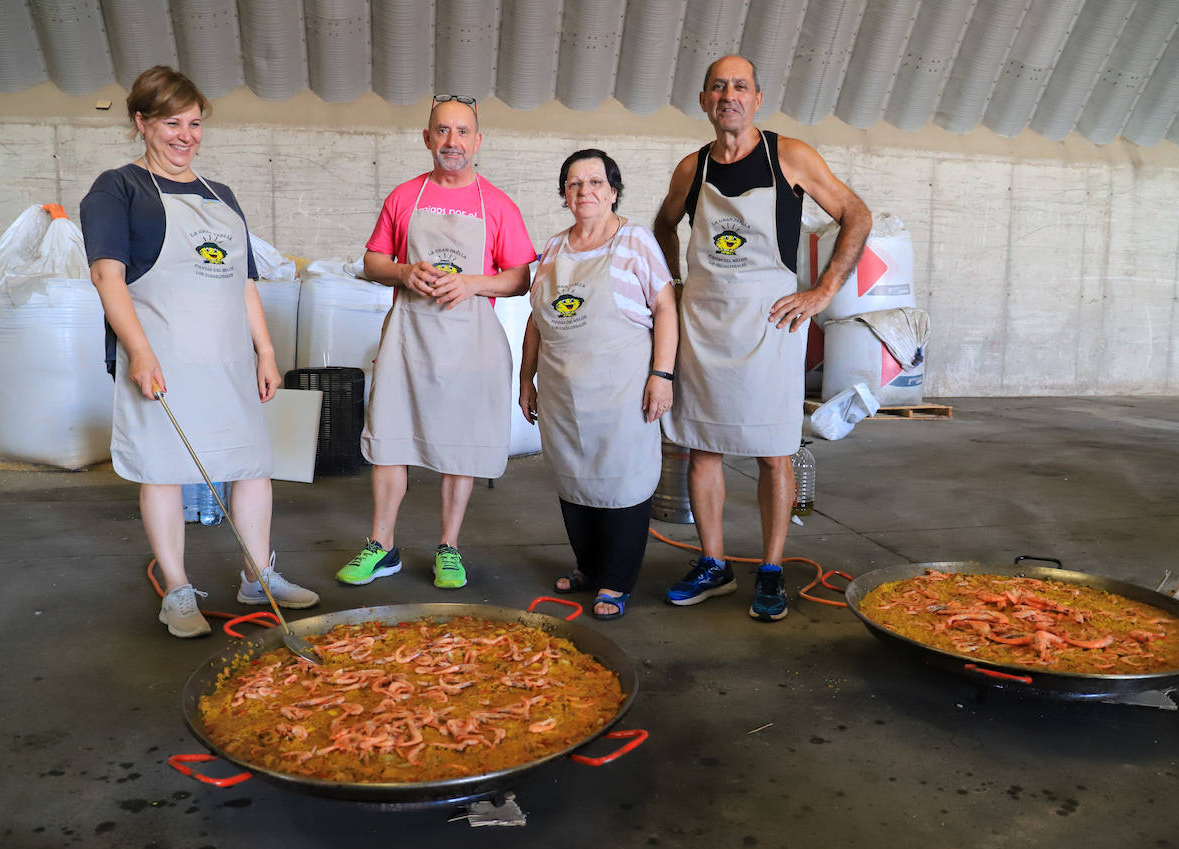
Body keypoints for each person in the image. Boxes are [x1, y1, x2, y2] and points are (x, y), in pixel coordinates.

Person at [82, 65, 319, 639]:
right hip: (163, 360)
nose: (186, 135)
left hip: (227, 359)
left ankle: (257, 575)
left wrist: (264, 350)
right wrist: (139, 353)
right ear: (141, 122)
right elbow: (108, 278)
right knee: (162, 470)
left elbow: (243, 283)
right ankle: (178, 590)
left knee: (252, 466)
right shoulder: (118, 188)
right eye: (171, 123)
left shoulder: (222, 195)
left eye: (194, 123)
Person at [653, 55, 872, 622]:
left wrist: (822, 292)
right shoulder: (690, 168)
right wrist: (675, 283)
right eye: (718, 86)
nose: (729, 95)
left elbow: (856, 214)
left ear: (757, 98)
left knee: (775, 451)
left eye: (740, 86)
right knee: (702, 449)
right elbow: (662, 226)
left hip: (772, 324)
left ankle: (771, 569)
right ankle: (714, 563)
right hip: (704, 325)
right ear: (704, 100)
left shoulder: (790, 156)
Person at [337, 95, 536, 590]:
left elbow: (519, 278)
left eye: (463, 132)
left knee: (461, 447)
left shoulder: (499, 204)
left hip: (470, 345)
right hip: (410, 338)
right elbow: (372, 262)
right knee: (389, 441)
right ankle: (381, 546)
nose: (453, 141)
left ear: (478, 141)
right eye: (443, 131)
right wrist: (404, 271)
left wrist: (470, 283)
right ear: (427, 138)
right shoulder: (405, 197)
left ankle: (449, 546)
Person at [519, 150, 678, 620]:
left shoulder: (635, 241)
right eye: (574, 183)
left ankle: (617, 580)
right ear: (564, 195)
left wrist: (662, 375)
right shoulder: (552, 248)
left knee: (622, 483)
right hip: (564, 393)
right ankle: (588, 567)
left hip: (621, 391)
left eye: (594, 182)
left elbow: (666, 308)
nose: (584, 191)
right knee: (573, 479)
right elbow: (535, 320)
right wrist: (525, 378)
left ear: (612, 191)